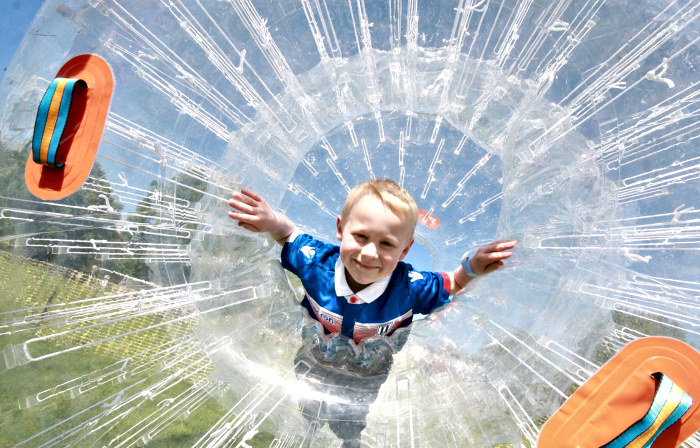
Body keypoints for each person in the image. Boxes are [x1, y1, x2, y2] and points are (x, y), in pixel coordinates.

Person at [228, 179, 516, 448]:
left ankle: (349, 438)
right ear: (341, 229)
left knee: (353, 413)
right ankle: (310, 421)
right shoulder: (317, 263)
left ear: (405, 250)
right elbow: (289, 234)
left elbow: (451, 283)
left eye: (386, 244)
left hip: (368, 370)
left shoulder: (409, 288)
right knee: (310, 395)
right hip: (316, 354)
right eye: (361, 236)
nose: (369, 253)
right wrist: (271, 221)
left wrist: (472, 267)